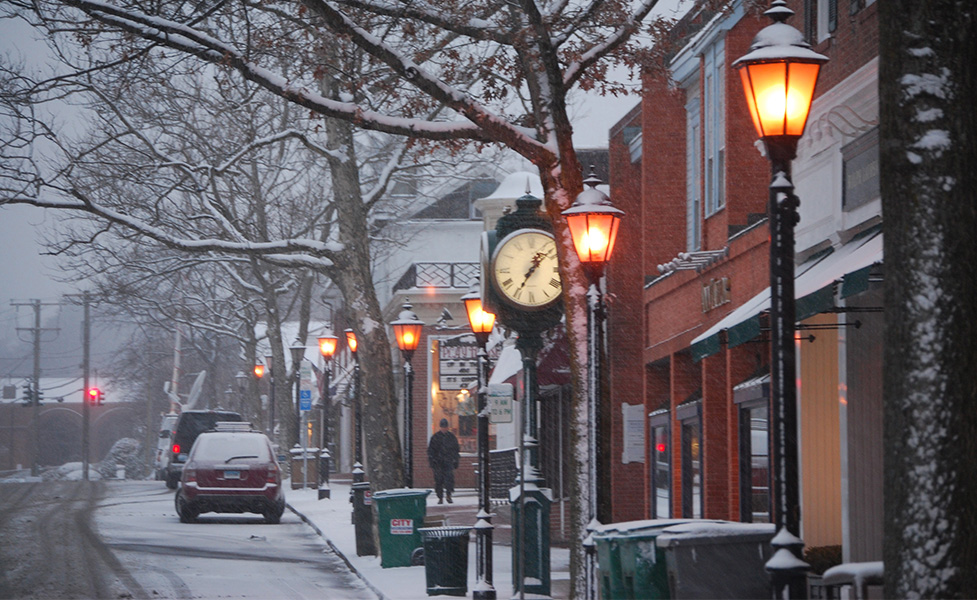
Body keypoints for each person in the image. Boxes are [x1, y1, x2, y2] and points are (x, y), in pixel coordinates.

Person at [427, 418, 460, 504]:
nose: (444, 429)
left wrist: (455, 460)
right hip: (438, 462)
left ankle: (448, 495)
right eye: (443, 427)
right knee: (439, 480)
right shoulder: (435, 437)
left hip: (448, 461)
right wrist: (432, 461)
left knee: (449, 479)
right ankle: (440, 496)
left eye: (445, 427)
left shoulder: (451, 437)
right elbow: (431, 451)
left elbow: (456, 450)